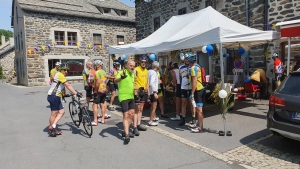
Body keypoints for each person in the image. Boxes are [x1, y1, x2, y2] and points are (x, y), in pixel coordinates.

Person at [47, 63, 82, 137]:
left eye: (67, 70)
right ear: (60, 70)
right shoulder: (60, 75)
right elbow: (67, 85)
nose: (66, 71)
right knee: (54, 113)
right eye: (64, 70)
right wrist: (76, 93)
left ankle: (53, 125)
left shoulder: (60, 75)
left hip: (56, 96)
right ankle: (52, 130)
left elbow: (62, 86)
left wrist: (65, 94)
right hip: (54, 96)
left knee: (62, 112)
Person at [114, 60, 136, 144]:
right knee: (126, 115)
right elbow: (115, 81)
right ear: (127, 65)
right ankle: (127, 134)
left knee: (132, 114)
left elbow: (132, 84)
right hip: (123, 96)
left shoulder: (132, 73)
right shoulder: (122, 72)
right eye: (131, 65)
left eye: (133, 66)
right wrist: (121, 78)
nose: (132, 67)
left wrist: (136, 92)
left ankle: (125, 130)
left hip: (131, 96)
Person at [188, 54, 205, 133]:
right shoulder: (198, 66)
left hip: (198, 90)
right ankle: (199, 124)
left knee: (199, 110)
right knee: (200, 109)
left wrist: (192, 93)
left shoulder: (193, 68)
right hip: (201, 88)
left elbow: (194, 81)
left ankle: (200, 127)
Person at [133, 55, 149, 134]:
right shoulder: (136, 69)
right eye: (142, 62)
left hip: (144, 92)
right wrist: (135, 92)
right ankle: (135, 126)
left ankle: (139, 124)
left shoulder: (147, 71)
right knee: (136, 110)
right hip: (138, 91)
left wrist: (148, 93)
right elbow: (133, 81)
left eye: (145, 62)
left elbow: (147, 82)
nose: (143, 63)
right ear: (140, 62)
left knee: (141, 109)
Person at [179, 55, 195, 126]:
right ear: (184, 59)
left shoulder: (193, 66)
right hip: (183, 87)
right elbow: (180, 77)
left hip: (191, 87)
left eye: (188, 58)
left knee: (192, 102)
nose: (187, 60)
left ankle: (193, 118)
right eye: (186, 58)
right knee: (184, 103)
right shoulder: (181, 67)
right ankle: (183, 119)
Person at [91, 60, 108, 126]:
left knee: (94, 105)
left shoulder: (97, 72)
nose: (94, 67)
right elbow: (105, 81)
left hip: (98, 90)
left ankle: (95, 120)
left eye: (94, 65)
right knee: (102, 103)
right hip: (104, 90)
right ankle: (103, 119)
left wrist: (95, 90)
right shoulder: (104, 72)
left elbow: (97, 82)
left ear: (97, 66)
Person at [147, 61, 160, 126]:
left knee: (153, 106)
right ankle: (151, 121)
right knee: (154, 106)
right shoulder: (154, 73)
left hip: (150, 91)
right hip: (153, 92)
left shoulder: (149, 71)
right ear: (157, 67)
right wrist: (155, 92)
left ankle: (153, 117)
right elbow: (151, 82)